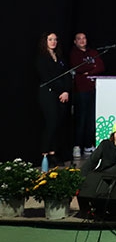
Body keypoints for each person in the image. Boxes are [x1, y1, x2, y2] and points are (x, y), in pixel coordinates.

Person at [37, 31, 71, 165]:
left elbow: (67, 75)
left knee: (58, 124)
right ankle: (45, 154)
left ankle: (53, 153)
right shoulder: (41, 58)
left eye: (55, 39)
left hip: (62, 95)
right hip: (48, 94)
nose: (53, 42)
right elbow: (47, 78)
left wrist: (66, 91)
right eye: (50, 39)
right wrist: (60, 91)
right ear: (45, 41)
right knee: (51, 122)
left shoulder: (60, 58)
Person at [69, 32, 105, 159]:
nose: (82, 40)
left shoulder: (93, 52)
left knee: (91, 118)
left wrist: (89, 71)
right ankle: (77, 146)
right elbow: (78, 68)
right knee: (81, 118)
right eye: (79, 38)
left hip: (94, 89)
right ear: (75, 41)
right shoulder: (74, 54)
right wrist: (90, 68)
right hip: (81, 90)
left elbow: (100, 66)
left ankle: (89, 145)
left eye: (84, 38)